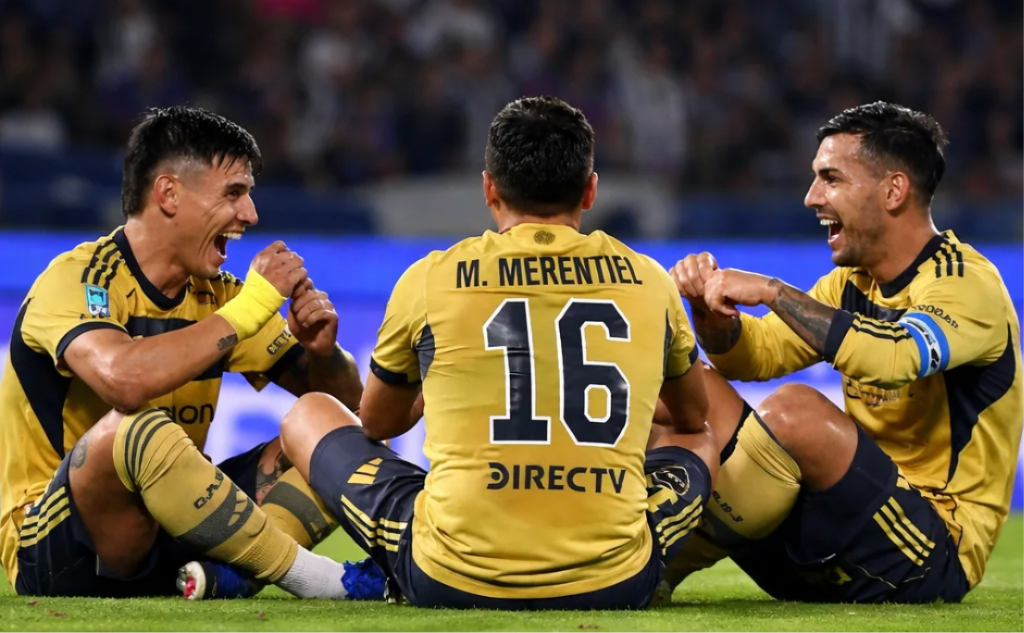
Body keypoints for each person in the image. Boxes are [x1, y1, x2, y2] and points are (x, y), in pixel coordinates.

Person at [268, 96, 718, 609]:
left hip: (447, 577)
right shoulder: (648, 281)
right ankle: (635, 552)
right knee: (700, 438)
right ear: (590, 190)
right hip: (615, 583)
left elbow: (378, 423)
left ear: (488, 188)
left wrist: (446, 385)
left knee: (309, 414)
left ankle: (267, 555)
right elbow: (692, 415)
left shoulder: (432, 278)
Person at [0, 105, 369, 600]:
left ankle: (229, 576)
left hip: (171, 531)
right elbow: (124, 382)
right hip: (57, 549)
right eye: (233, 193)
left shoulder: (217, 294)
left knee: (327, 429)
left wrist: (323, 352)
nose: (251, 215)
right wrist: (254, 307)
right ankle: (319, 580)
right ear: (169, 194)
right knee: (135, 427)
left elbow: (353, 410)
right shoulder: (77, 279)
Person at [666, 102, 1023, 603]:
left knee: (798, 413)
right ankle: (637, 554)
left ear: (893, 190)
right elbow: (756, 357)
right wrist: (711, 317)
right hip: (838, 533)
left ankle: (654, 566)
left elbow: (896, 357)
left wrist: (773, 291)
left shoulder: (965, 285)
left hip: (932, 551)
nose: (812, 198)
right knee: (687, 387)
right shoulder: (851, 284)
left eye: (830, 179)